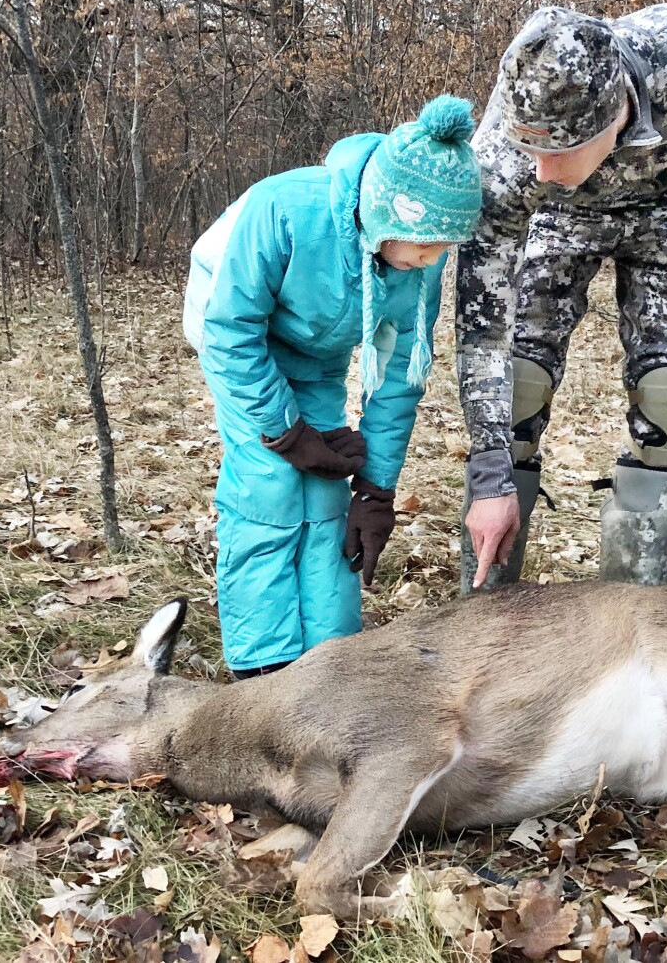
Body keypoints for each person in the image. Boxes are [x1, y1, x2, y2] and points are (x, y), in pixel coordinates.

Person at [456, 4, 667, 592]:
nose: (544, 168)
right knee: (519, 388)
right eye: (532, 151)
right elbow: (484, 330)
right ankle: (484, 616)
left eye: (560, 151)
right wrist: (487, 476)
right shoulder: (510, 161)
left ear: (615, 115)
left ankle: (633, 619)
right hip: (557, 221)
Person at [183, 97, 482, 677]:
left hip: (318, 350)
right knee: (269, 486)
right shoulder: (284, 209)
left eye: (444, 247)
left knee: (327, 493)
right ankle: (263, 672)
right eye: (422, 246)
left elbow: (399, 378)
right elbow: (229, 330)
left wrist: (375, 491)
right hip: (237, 332)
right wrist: (285, 433)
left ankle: (330, 664)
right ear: (383, 215)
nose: (431, 260)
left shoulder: (421, 257)